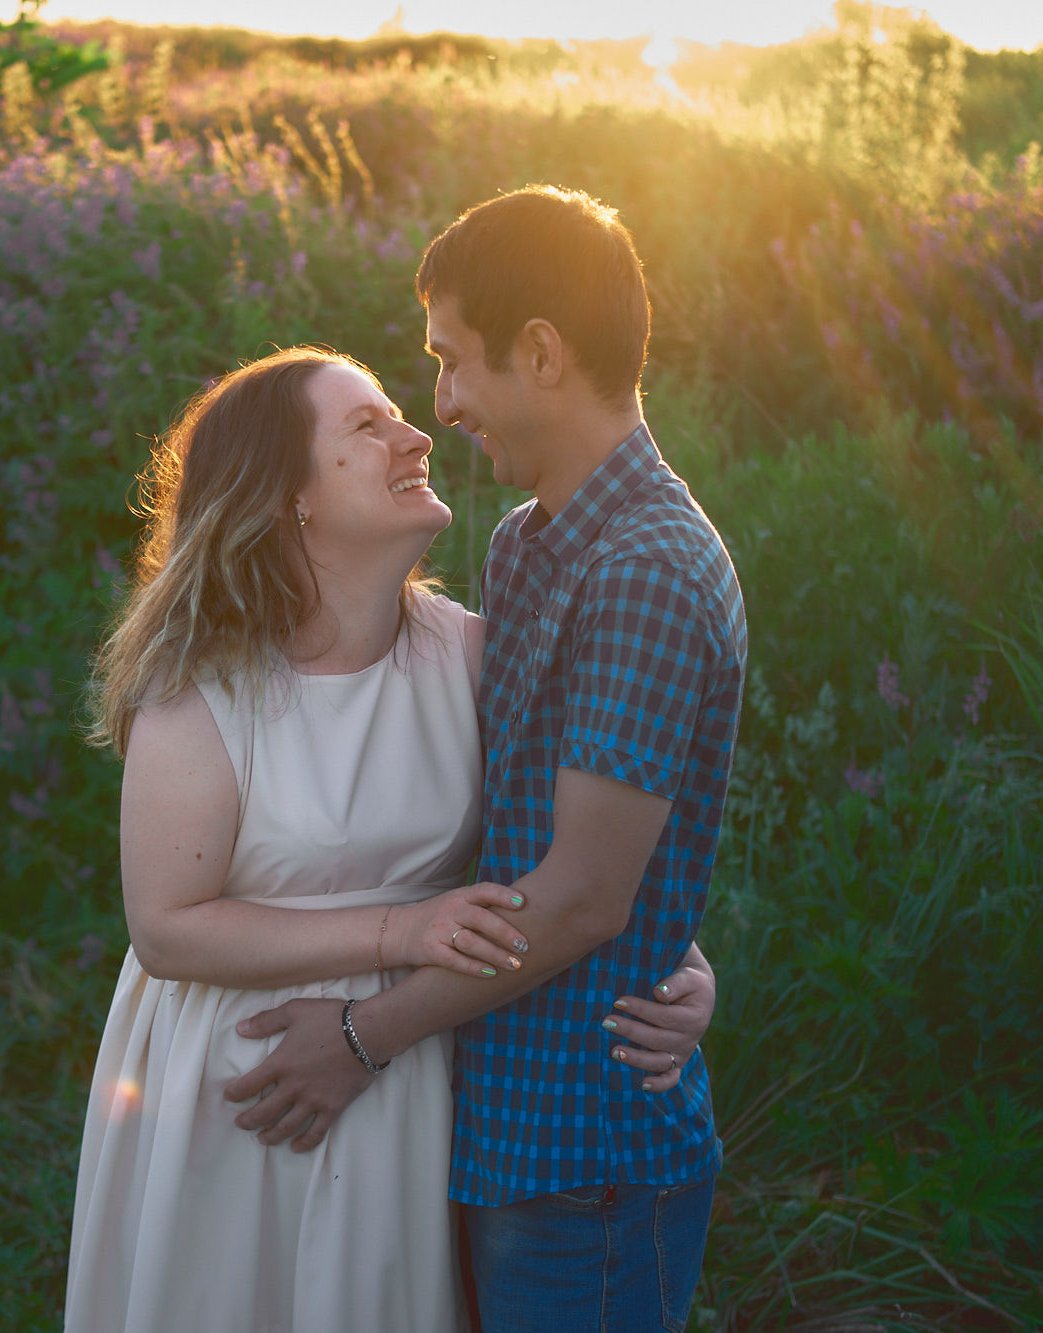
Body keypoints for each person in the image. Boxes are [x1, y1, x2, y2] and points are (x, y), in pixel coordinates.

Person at [66, 344, 716, 1332]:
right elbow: (165, 928)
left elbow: (585, 847)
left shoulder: (467, 651)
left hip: (400, 1070)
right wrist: (398, 933)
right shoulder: (201, 686)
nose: (416, 434)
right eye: (367, 426)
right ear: (290, 496)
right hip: (242, 1078)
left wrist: (679, 961)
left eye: (399, 414)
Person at [225, 186, 748, 1333]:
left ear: (540, 353)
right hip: (486, 1125)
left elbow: (578, 898)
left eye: (452, 363)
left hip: (585, 1156)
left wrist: (359, 1040)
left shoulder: (648, 567)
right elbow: (534, 821)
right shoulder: (528, 545)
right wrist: (671, 934)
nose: (442, 403)